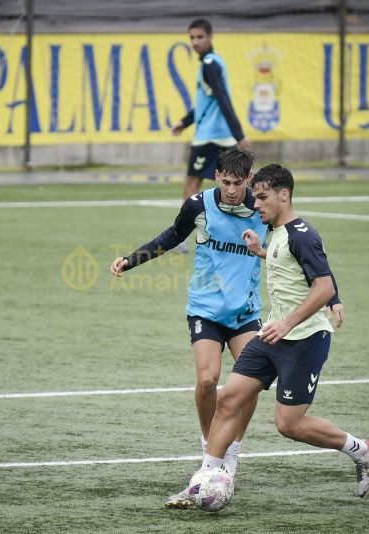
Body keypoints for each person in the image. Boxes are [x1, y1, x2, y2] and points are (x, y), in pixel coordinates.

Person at [165, 164, 369, 504]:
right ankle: (202, 482)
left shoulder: (302, 234)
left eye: (262, 197)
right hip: (271, 337)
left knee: (288, 424)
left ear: (284, 195)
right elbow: (289, 266)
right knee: (230, 398)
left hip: (304, 340)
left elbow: (323, 286)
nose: (255, 203)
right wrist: (262, 253)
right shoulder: (275, 232)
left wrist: (292, 321)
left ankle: (362, 451)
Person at [111, 147, 267, 507]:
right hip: (205, 308)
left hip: (245, 311)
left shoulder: (261, 207)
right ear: (217, 177)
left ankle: (231, 456)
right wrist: (129, 260)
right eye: (225, 182)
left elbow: (288, 243)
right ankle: (209, 449)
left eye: (237, 183)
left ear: (248, 180)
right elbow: (170, 236)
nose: (230, 189)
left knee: (251, 383)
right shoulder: (198, 205)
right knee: (208, 379)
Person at [171, 18, 251, 252]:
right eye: (192, 38)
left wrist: (239, 134)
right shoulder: (214, 62)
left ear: (210, 36)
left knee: (192, 185)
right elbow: (208, 103)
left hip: (210, 137)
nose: (195, 42)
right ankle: (240, 233)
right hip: (221, 135)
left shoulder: (209, 64)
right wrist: (184, 122)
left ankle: (181, 238)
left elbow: (223, 100)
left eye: (199, 37)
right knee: (235, 186)